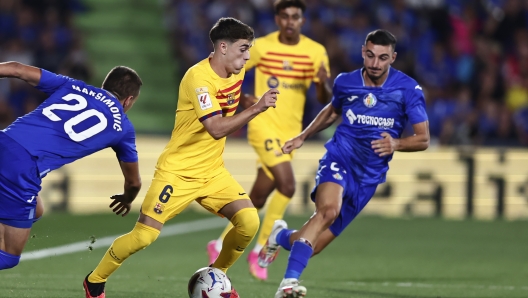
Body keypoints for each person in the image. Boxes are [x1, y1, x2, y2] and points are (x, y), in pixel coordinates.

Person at [83, 17, 279, 298]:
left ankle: (217, 279)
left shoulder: (237, 71)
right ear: (223, 47)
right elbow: (214, 128)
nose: (248, 55)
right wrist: (257, 109)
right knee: (144, 236)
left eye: (250, 49)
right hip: (178, 172)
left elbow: (226, 104)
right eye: (243, 48)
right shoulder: (198, 78)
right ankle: (95, 281)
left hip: (212, 171)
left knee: (248, 222)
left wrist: (246, 102)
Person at [260, 29, 430, 298]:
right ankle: (287, 285)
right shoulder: (346, 82)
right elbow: (332, 110)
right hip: (340, 157)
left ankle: (279, 236)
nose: (375, 64)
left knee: (312, 246)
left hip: (368, 177)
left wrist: (396, 144)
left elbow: (423, 139)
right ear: (363, 51)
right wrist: (303, 136)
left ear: (393, 58)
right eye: (371, 56)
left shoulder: (408, 89)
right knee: (327, 211)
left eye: (383, 58)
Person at [207, 0, 331, 281]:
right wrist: (241, 101)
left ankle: (218, 244)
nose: (290, 21)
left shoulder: (315, 52)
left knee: (259, 196)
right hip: (263, 125)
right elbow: (228, 71)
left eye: (295, 17)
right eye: (285, 16)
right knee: (287, 185)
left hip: (290, 132)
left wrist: (323, 83)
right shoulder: (261, 46)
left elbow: (324, 98)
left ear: (302, 19)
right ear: (277, 19)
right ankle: (262, 249)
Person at [0, 62, 143, 270]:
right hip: (22, 168)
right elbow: (133, 182)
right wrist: (127, 198)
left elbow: (16, 69)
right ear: (129, 100)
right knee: (8, 256)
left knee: (36, 210)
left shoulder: (73, 85)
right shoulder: (123, 127)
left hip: (4, 141)